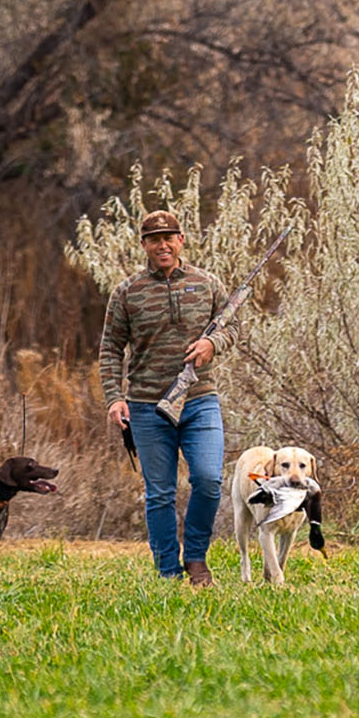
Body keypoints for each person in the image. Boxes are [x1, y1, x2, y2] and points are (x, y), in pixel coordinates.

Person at [99, 209, 239, 586]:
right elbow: (110, 349)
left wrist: (213, 341)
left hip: (199, 400)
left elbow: (232, 325)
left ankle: (196, 557)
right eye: (154, 238)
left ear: (181, 240)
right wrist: (115, 398)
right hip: (146, 407)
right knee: (159, 493)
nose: (162, 244)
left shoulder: (207, 283)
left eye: (169, 236)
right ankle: (167, 569)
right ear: (144, 245)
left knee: (209, 480)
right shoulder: (127, 292)